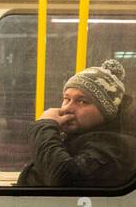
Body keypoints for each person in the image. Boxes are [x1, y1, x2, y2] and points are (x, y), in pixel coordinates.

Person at [17, 58, 135, 187]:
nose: (67, 108)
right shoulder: (79, 136)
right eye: (67, 99)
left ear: (106, 111)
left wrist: (44, 126)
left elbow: (63, 179)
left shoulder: (115, 146)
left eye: (82, 101)